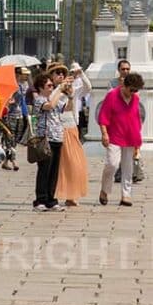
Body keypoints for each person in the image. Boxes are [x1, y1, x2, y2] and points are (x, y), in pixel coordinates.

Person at [98, 71, 143, 207]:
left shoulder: (135, 98)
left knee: (128, 167)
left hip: (130, 137)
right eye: (132, 89)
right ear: (125, 85)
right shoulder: (112, 96)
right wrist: (104, 133)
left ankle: (126, 194)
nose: (133, 92)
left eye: (136, 90)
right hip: (114, 136)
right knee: (112, 164)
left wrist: (137, 143)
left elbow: (136, 119)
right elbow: (103, 116)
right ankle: (105, 190)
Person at [29, 68, 68, 211]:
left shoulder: (54, 98)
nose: (51, 88)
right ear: (41, 87)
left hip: (57, 137)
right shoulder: (39, 100)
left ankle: (51, 199)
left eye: (52, 85)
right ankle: (40, 199)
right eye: (49, 86)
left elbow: (66, 107)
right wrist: (59, 90)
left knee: (54, 171)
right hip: (45, 138)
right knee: (44, 170)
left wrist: (69, 94)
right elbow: (50, 105)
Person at [55, 68, 89, 207]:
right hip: (59, 128)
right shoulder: (55, 92)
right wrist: (61, 88)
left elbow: (88, 87)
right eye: (60, 74)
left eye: (66, 74)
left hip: (72, 126)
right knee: (62, 165)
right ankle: (60, 194)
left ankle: (72, 194)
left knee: (75, 163)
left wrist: (81, 74)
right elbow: (58, 106)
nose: (65, 77)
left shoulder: (74, 90)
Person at [112, 59, 146, 185]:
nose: (125, 71)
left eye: (127, 69)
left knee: (133, 147)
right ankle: (119, 173)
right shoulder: (113, 83)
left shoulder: (135, 82)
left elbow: (136, 99)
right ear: (118, 70)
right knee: (119, 148)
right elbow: (111, 99)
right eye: (123, 69)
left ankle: (135, 173)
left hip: (131, 119)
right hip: (118, 121)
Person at [0, 67, 30, 171]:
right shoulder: (9, 86)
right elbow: (5, 100)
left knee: (15, 139)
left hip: (19, 115)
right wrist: (9, 102)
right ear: (17, 74)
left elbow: (23, 102)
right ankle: (13, 161)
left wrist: (26, 114)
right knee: (10, 138)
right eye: (23, 74)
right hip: (10, 115)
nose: (26, 76)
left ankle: (6, 161)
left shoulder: (21, 86)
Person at [69, 62, 93, 140]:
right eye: (72, 72)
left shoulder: (78, 85)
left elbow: (88, 87)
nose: (74, 73)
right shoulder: (67, 83)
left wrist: (81, 74)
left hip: (77, 112)